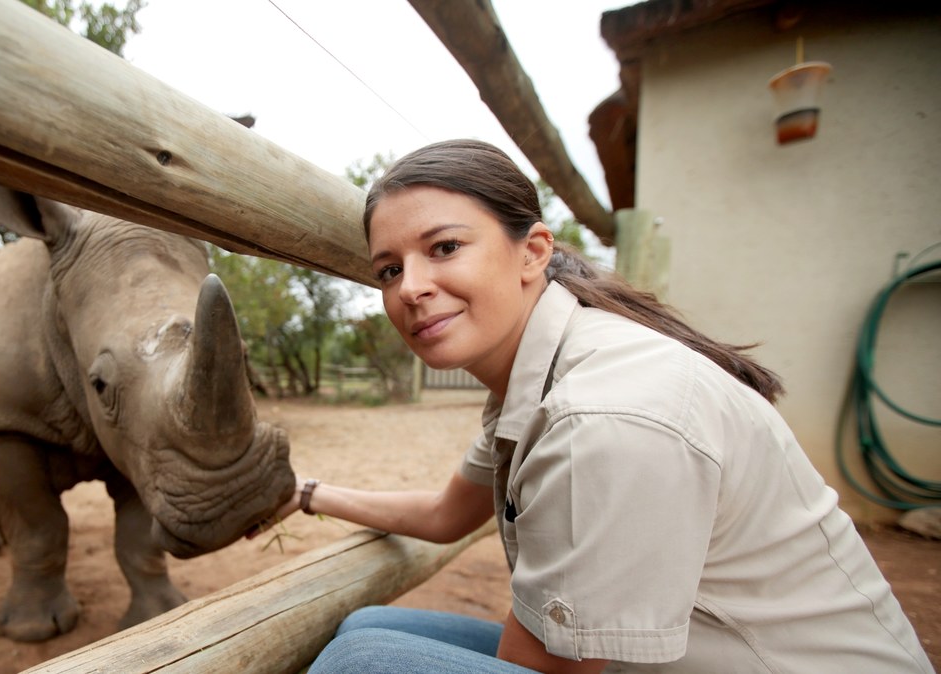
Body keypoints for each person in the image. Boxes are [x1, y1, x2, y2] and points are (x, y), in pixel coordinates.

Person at [247, 139, 933, 673]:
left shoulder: (600, 416)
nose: (411, 288)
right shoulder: (530, 379)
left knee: (361, 664)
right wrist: (306, 492)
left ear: (533, 252)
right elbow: (443, 513)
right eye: (389, 269)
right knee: (367, 629)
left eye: (444, 247)